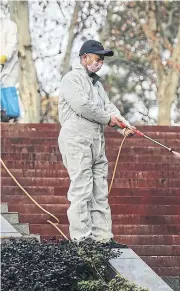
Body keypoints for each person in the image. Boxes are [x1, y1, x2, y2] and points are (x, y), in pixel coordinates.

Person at [58, 40, 138, 248]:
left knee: (99, 191)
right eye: (97, 58)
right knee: (82, 189)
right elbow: (82, 105)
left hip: (95, 141)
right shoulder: (71, 79)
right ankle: (81, 238)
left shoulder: (97, 85)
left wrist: (124, 126)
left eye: (102, 60)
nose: (100, 63)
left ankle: (103, 238)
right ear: (84, 58)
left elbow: (109, 107)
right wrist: (108, 120)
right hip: (76, 139)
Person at [0, 18, 20, 122]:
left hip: (9, 66)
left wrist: (4, 56)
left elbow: (12, 44)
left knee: (8, 88)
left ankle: (12, 116)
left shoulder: (9, 25)